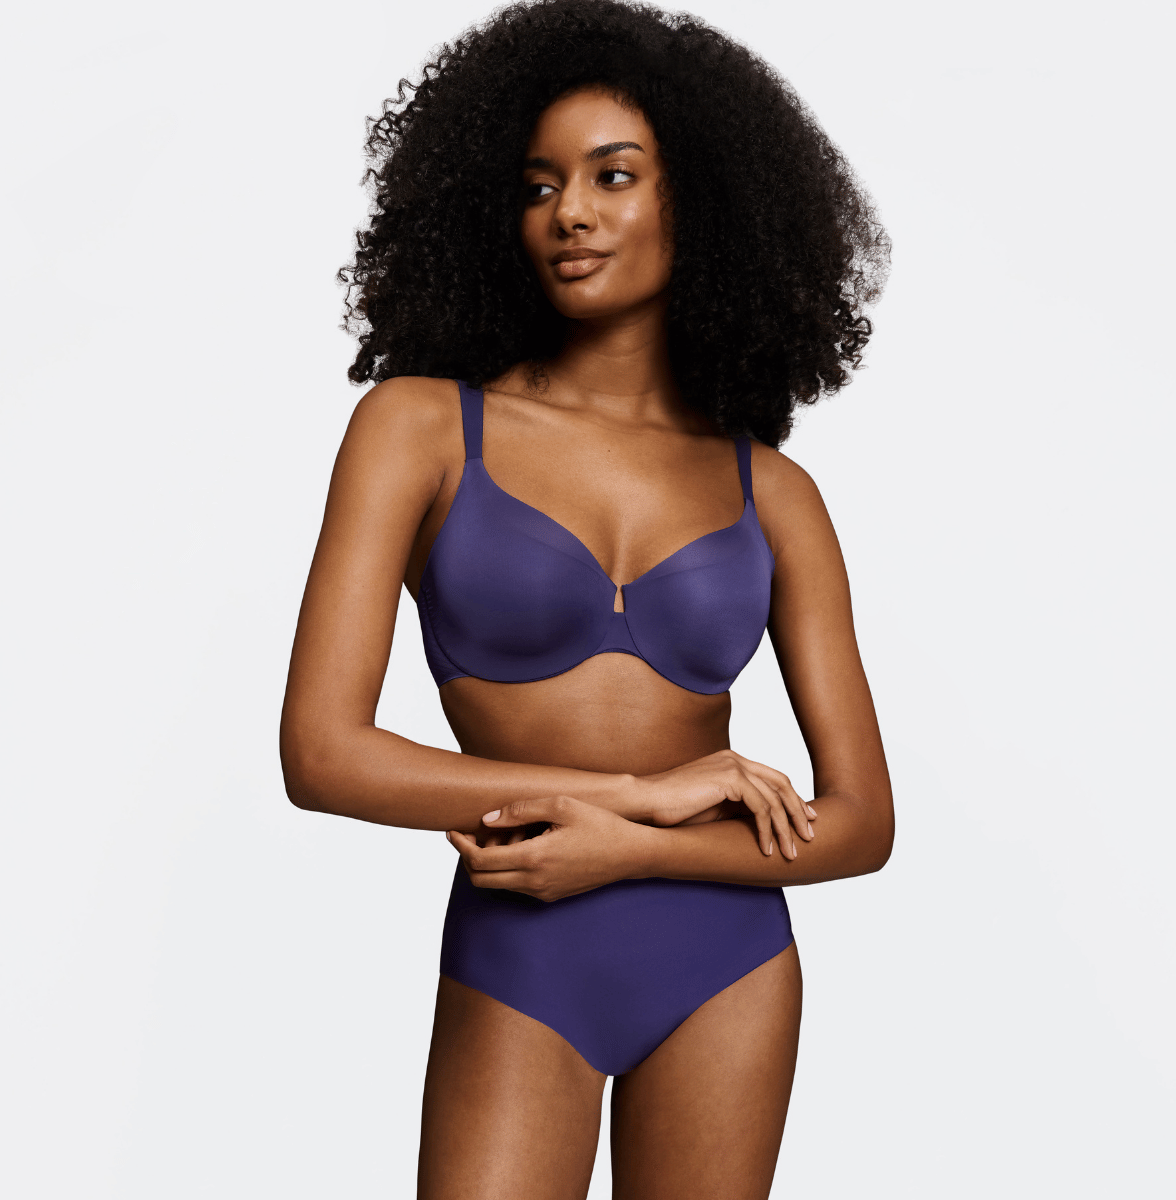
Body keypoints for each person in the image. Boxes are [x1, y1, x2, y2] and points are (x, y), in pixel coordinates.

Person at [280, 1, 894, 1195]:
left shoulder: (776, 494)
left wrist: (634, 849)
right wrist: (635, 804)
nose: (569, 211)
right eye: (539, 184)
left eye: (613, 175)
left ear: (697, 199)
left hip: (729, 962)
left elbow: (863, 821)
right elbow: (322, 753)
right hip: (524, 951)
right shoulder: (421, 428)